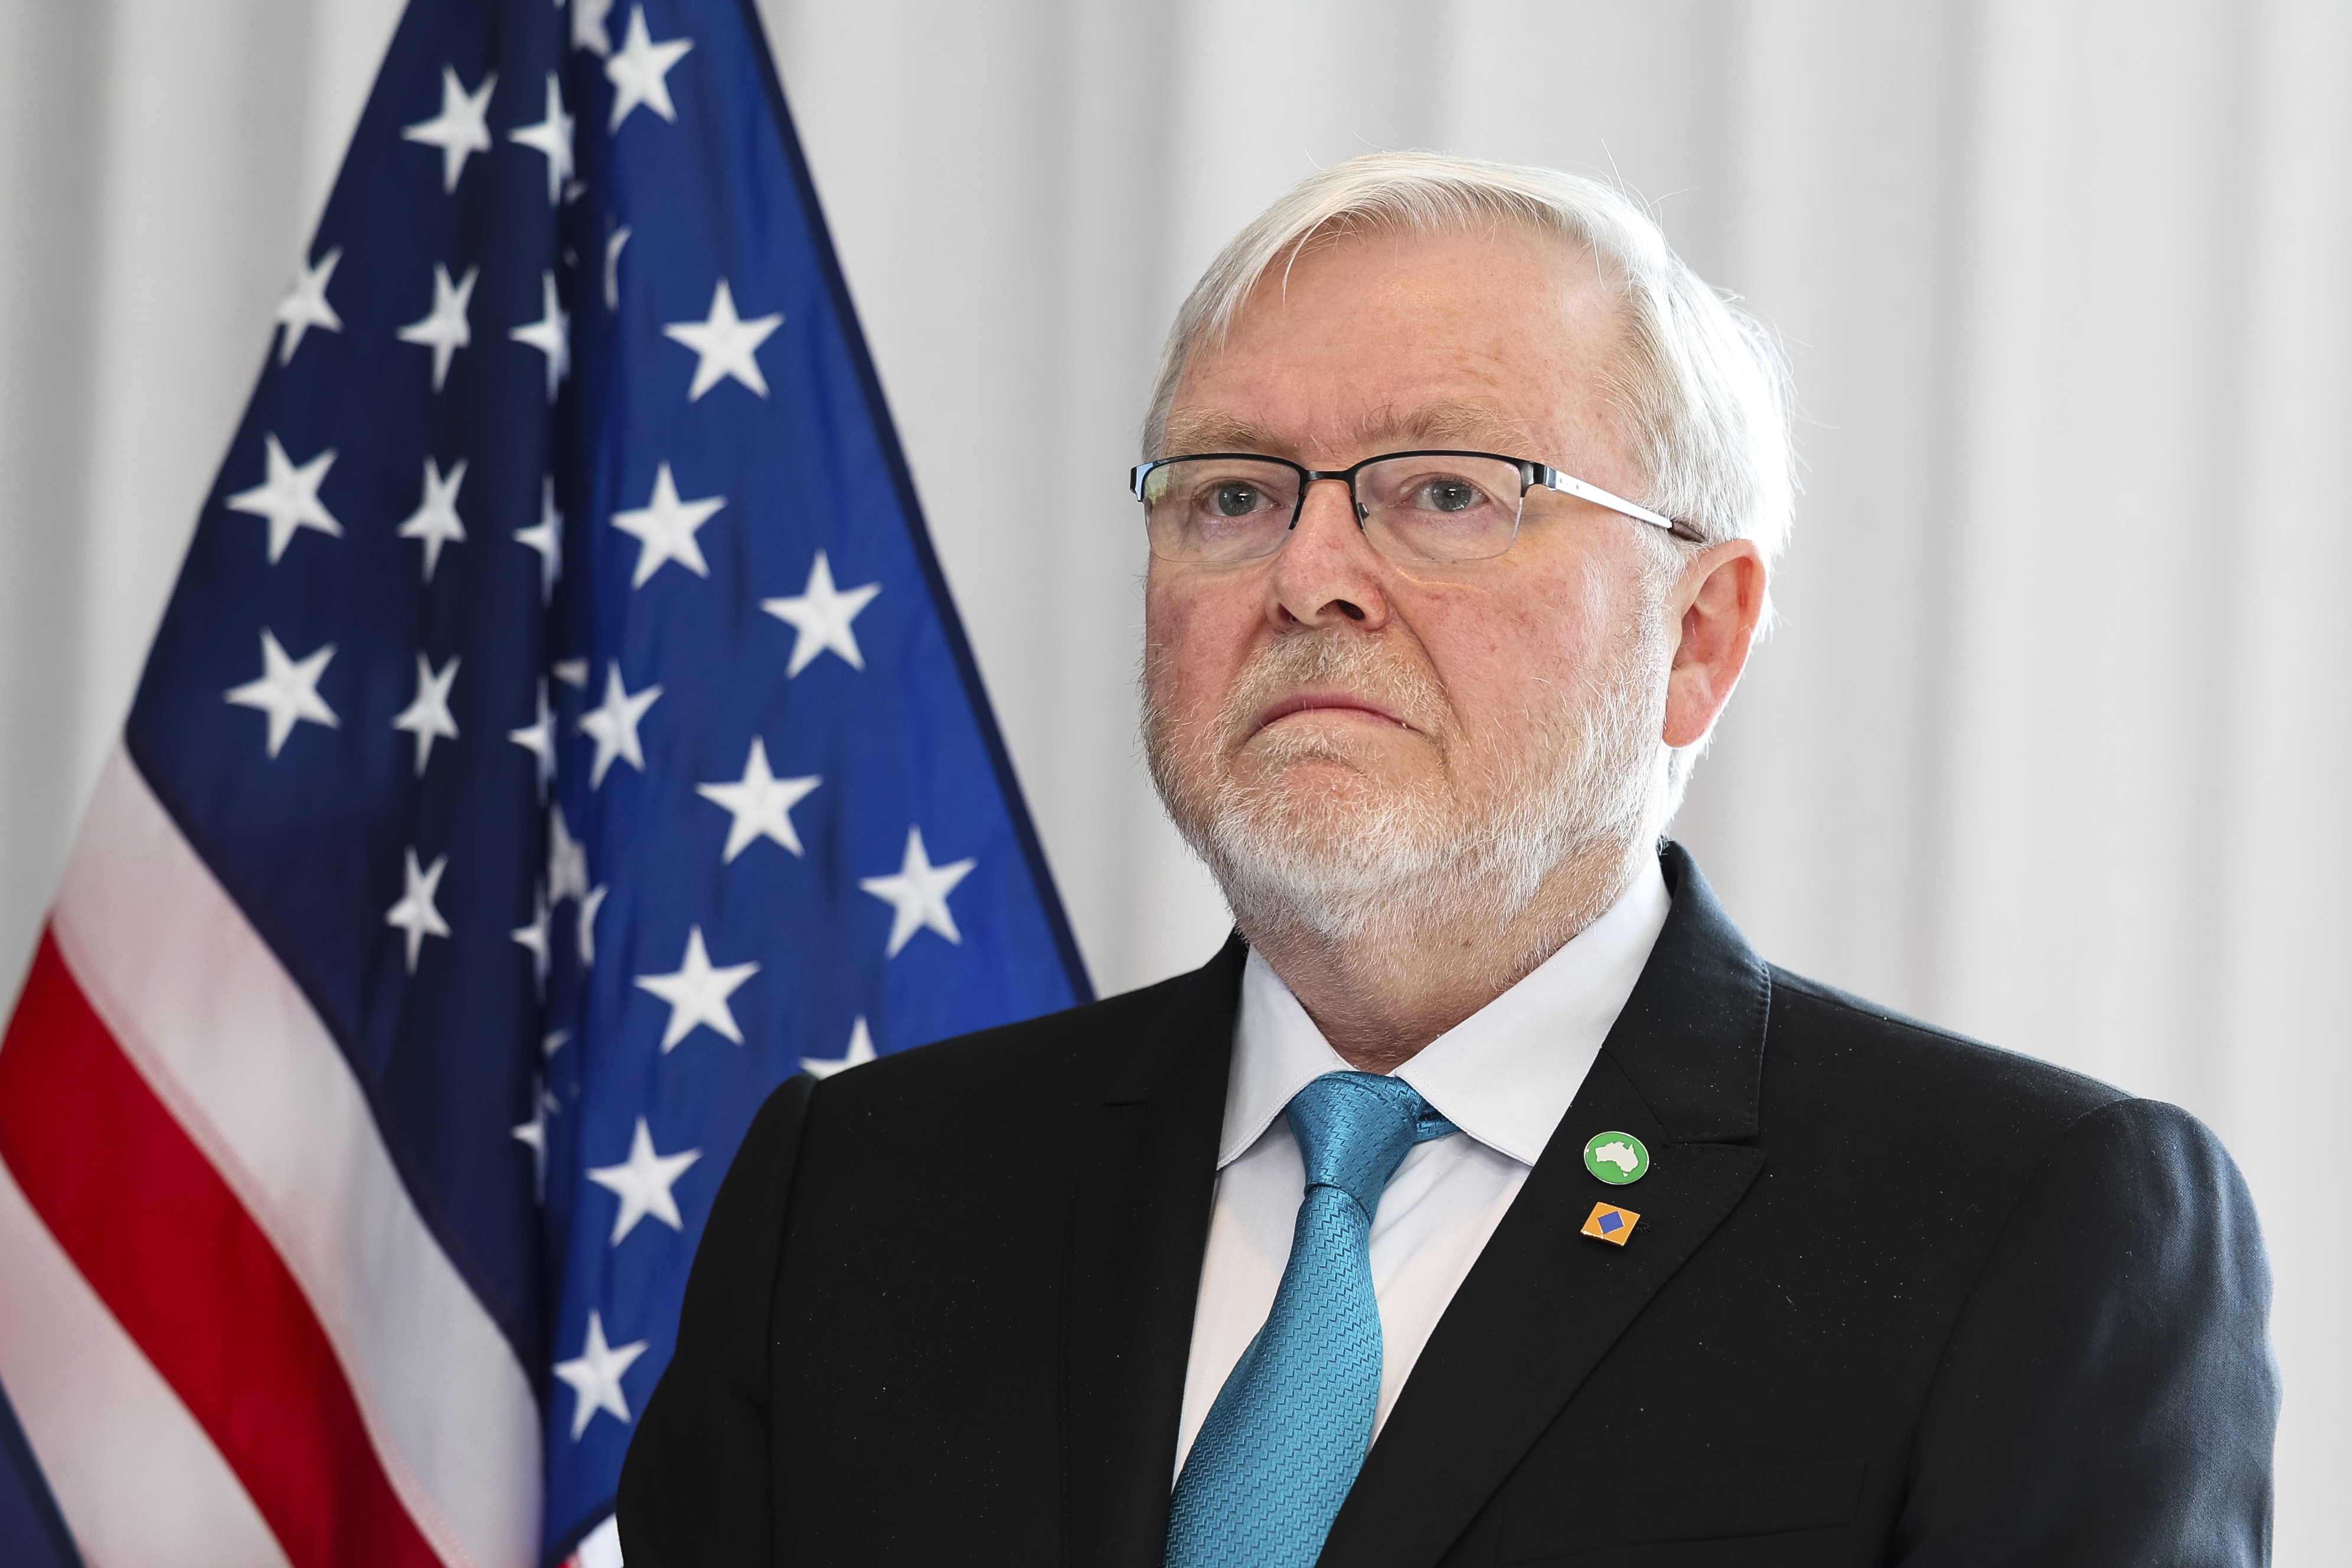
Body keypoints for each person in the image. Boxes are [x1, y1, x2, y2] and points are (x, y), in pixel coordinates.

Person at [616, 152, 2278, 1567]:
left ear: (1699, 635)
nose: (1310, 572)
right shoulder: (859, 1199)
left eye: (1446, 492)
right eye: (1230, 495)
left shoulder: (2023, 1225)